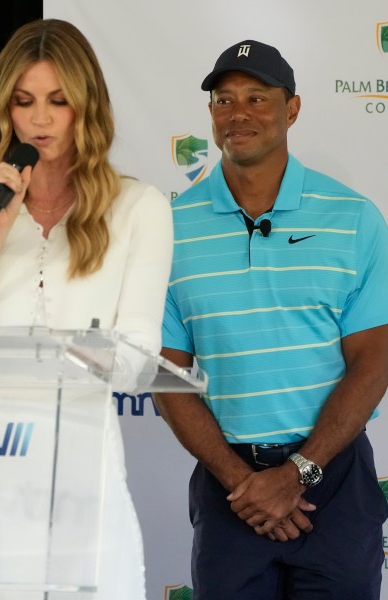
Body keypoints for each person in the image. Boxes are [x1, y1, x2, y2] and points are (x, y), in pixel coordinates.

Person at [0, 18, 173, 600]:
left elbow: (138, 356)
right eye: (24, 101)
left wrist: (63, 359)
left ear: (88, 107)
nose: (39, 118)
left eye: (59, 101)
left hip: (75, 461)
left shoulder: (139, 208)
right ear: (4, 108)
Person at [155, 39, 388, 600]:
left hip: (333, 482)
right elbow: (165, 374)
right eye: (224, 100)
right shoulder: (167, 228)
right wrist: (245, 485)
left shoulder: (354, 218)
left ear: (293, 109)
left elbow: (375, 359)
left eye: (258, 98)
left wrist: (296, 474)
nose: (239, 114)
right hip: (229, 482)